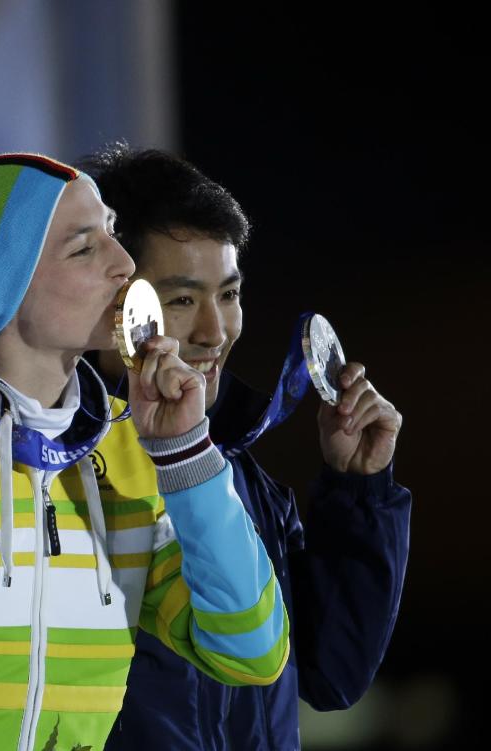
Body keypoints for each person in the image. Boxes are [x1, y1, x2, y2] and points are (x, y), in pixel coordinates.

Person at [0, 153, 290, 751]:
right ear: (2, 282)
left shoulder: (129, 454)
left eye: (112, 233)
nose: (125, 265)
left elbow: (251, 652)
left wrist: (186, 456)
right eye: (85, 248)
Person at [78, 143, 411, 750]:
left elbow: (331, 675)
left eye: (228, 295)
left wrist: (358, 492)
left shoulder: (239, 475)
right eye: (181, 300)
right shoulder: (61, 473)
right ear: (111, 305)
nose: (215, 331)